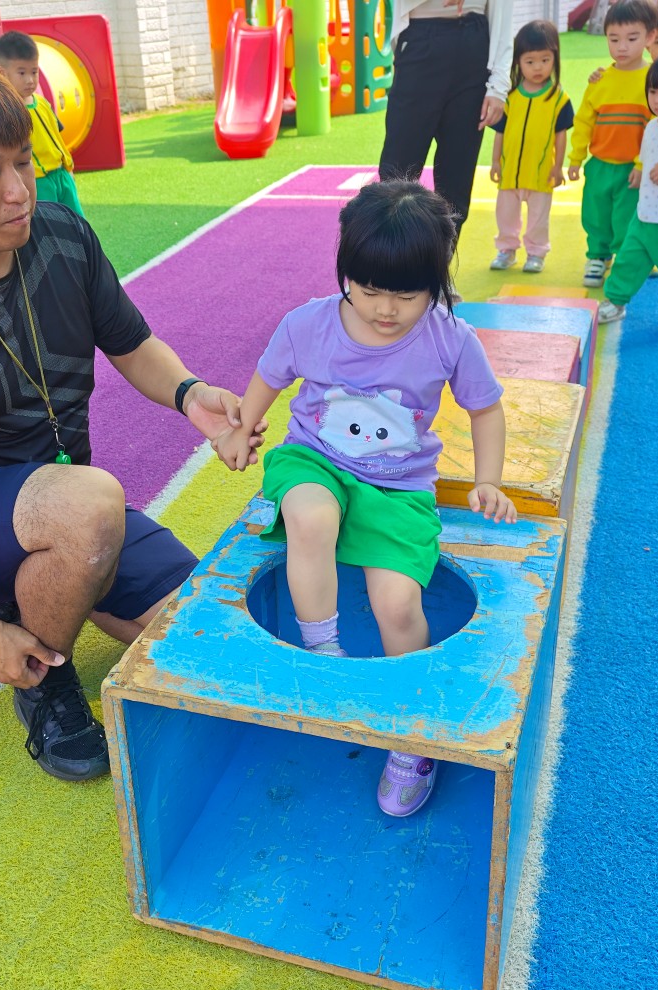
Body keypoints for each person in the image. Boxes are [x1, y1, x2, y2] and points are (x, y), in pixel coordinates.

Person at [0, 57, 264, 783]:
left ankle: (70, 577)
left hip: (68, 501)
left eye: (24, 162)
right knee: (90, 505)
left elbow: (132, 344)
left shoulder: (63, 237)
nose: (18, 191)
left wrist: (191, 393)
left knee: (216, 636)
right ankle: (43, 681)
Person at [211, 180, 517, 818]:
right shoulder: (310, 324)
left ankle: (413, 738)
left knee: (398, 604)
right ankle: (323, 649)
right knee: (311, 514)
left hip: (398, 487)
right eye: (370, 289)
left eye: (406, 295)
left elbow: (485, 409)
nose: (385, 309)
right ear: (346, 272)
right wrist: (242, 430)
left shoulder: (450, 338)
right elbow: (269, 377)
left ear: (436, 283)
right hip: (315, 460)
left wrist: (488, 478)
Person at [378, 0, 514, 240]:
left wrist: (499, 86)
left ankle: (440, 262)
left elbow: (503, 12)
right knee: (396, 177)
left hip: (474, 45)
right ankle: (386, 260)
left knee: (456, 185)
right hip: (420, 38)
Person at [568, 0, 658, 288]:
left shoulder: (653, 80)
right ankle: (597, 255)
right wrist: (576, 157)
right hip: (600, 165)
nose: (622, 47)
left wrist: (641, 164)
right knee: (595, 213)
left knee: (627, 217)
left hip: (632, 169)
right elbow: (584, 121)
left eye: (632, 38)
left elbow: (656, 128)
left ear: (649, 37)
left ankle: (628, 258)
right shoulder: (600, 80)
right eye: (614, 39)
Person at [489, 20, 574, 273]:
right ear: (518, 62)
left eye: (545, 60)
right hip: (510, 172)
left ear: (555, 59)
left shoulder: (559, 99)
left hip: (540, 173)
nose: (538, 67)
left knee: (538, 218)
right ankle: (507, 250)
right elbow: (500, 133)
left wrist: (558, 167)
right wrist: (495, 161)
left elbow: (560, 136)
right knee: (505, 214)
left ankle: (536, 253)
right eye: (530, 61)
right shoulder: (509, 97)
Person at [597, 51, 658, 330]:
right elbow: (647, 155)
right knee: (628, 260)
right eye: (653, 91)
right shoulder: (652, 126)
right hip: (644, 214)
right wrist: (640, 169)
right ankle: (615, 302)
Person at [0, 31, 84, 217]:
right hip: (38, 181)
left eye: (34, 72)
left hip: (61, 175)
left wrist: (68, 166)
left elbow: (57, 137)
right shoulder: (7, 112)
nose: (30, 80)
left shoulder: (42, 103)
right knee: (49, 223)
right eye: (21, 73)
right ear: (3, 73)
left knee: (76, 220)